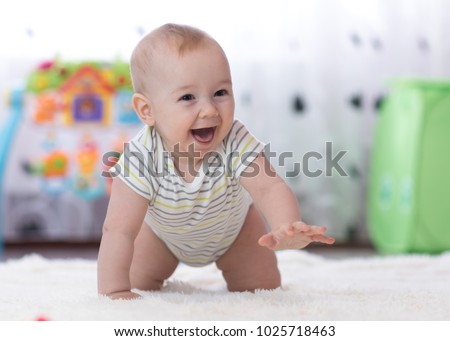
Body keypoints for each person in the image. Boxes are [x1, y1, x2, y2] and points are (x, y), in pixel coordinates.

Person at [97, 23, 335, 300]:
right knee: (136, 282)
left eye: (220, 93)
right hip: (162, 238)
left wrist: (287, 225)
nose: (209, 109)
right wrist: (114, 291)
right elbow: (118, 230)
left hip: (236, 233)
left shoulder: (234, 140)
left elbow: (268, 188)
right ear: (147, 110)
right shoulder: (140, 158)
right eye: (187, 97)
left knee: (264, 291)